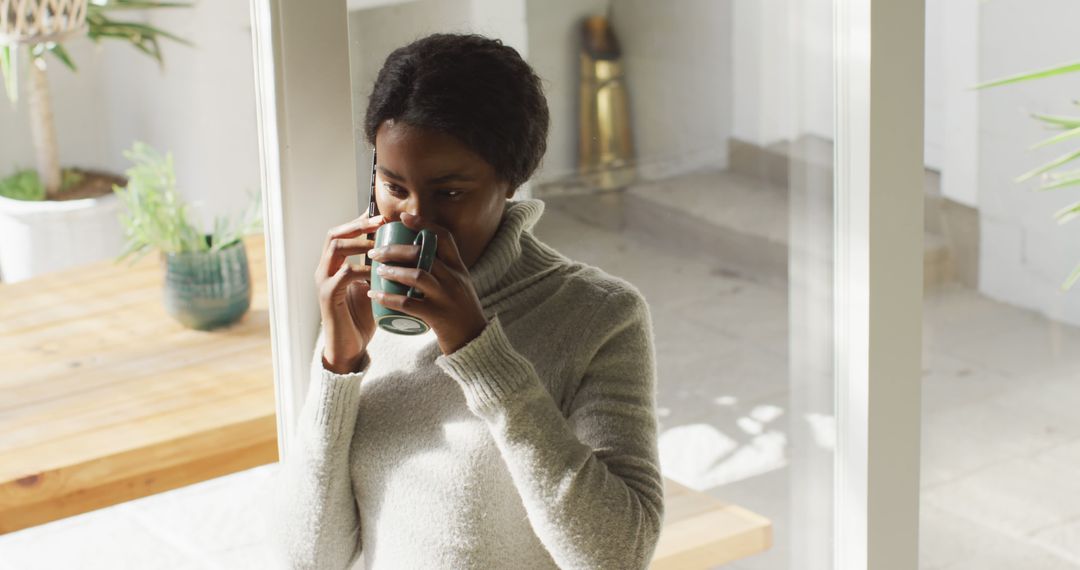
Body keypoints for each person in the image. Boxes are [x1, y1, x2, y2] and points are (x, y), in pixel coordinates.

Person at [271, 32, 664, 570]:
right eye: (392, 184)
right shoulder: (361, 303)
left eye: (449, 192)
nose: (411, 218)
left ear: (511, 179)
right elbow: (309, 559)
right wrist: (338, 365)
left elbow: (620, 554)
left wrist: (480, 352)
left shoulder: (600, 315)